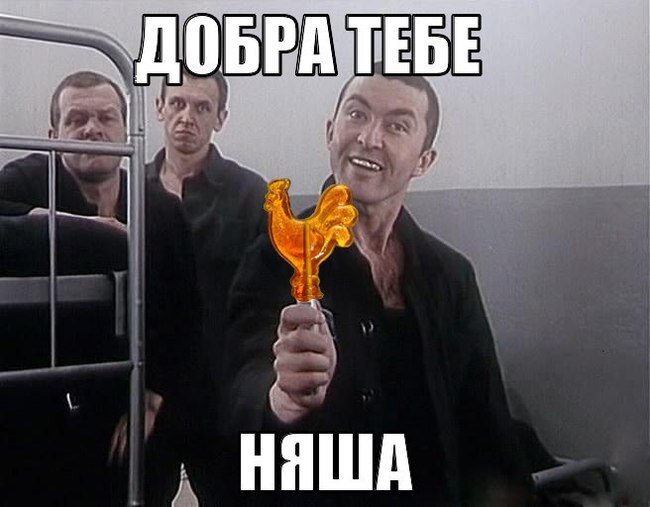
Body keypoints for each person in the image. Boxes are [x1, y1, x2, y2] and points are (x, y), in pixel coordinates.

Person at [221, 62, 533, 506]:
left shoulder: (451, 277)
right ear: (330, 131)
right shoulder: (273, 258)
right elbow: (239, 392)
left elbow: (488, 430)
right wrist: (281, 400)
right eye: (357, 114)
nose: (369, 137)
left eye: (397, 126)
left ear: (424, 160)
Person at [0, 70, 203, 506]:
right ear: (53, 135)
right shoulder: (24, 180)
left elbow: (187, 315)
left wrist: (153, 397)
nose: (92, 129)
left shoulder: (161, 208)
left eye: (106, 118)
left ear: (126, 130)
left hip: (132, 410)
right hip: (39, 422)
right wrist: (77, 227)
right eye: (76, 119)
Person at [146, 70, 267, 503]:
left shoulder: (250, 194)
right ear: (159, 108)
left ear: (221, 117)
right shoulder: (130, 190)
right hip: (149, 394)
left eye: (202, 107)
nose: (187, 117)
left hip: (223, 395)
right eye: (177, 103)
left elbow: (270, 297)